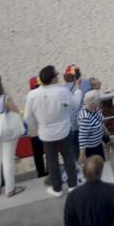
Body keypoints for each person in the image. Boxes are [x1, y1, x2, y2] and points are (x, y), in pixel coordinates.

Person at [25, 65, 82, 196]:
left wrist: (37, 126)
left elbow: (28, 117)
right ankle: (72, 185)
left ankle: (57, 189)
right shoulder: (61, 91)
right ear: (52, 79)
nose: (57, 77)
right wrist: (78, 90)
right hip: (63, 130)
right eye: (56, 75)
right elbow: (75, 104)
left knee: (51, 160)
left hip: (46, 133)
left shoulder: (32, 95)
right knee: (68, 157)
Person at [63, 156, 114, 226]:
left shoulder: (72, 196)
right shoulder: (113, 190)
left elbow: (69, 223)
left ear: (84, 173)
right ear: (100, 172)